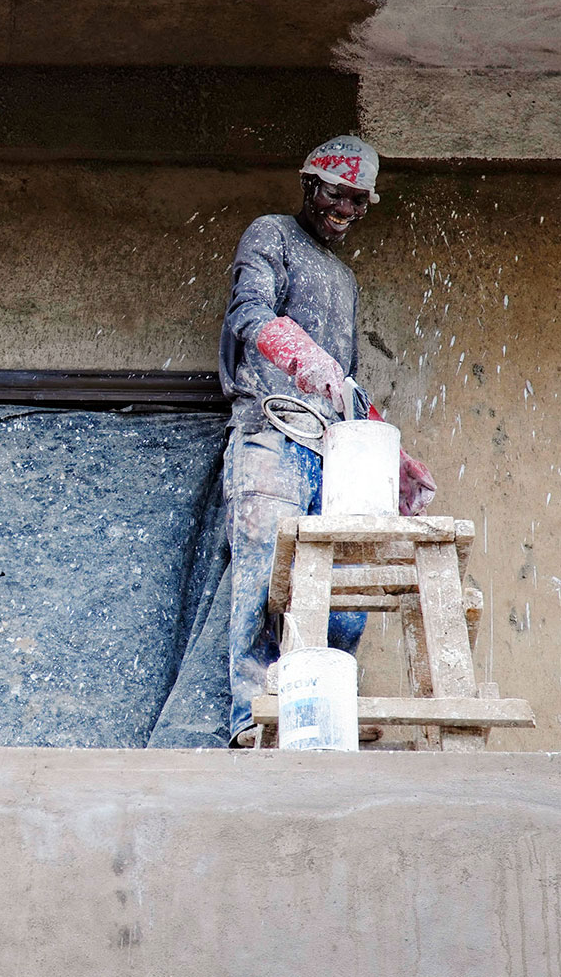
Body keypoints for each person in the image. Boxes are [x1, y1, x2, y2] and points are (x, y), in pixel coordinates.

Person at [217, 134, 436, 747]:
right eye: (337, 195)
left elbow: (348, 385)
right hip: (269, 435)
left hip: (331, 453)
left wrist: (393, 457)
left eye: (360, 203)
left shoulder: (343, 278)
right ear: (309, 184)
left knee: (346, 588)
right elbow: (249, 314)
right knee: (265, 577)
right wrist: (304, 361)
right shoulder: (271, 234)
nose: (346, 211)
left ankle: (327, 707)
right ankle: (255, 718)